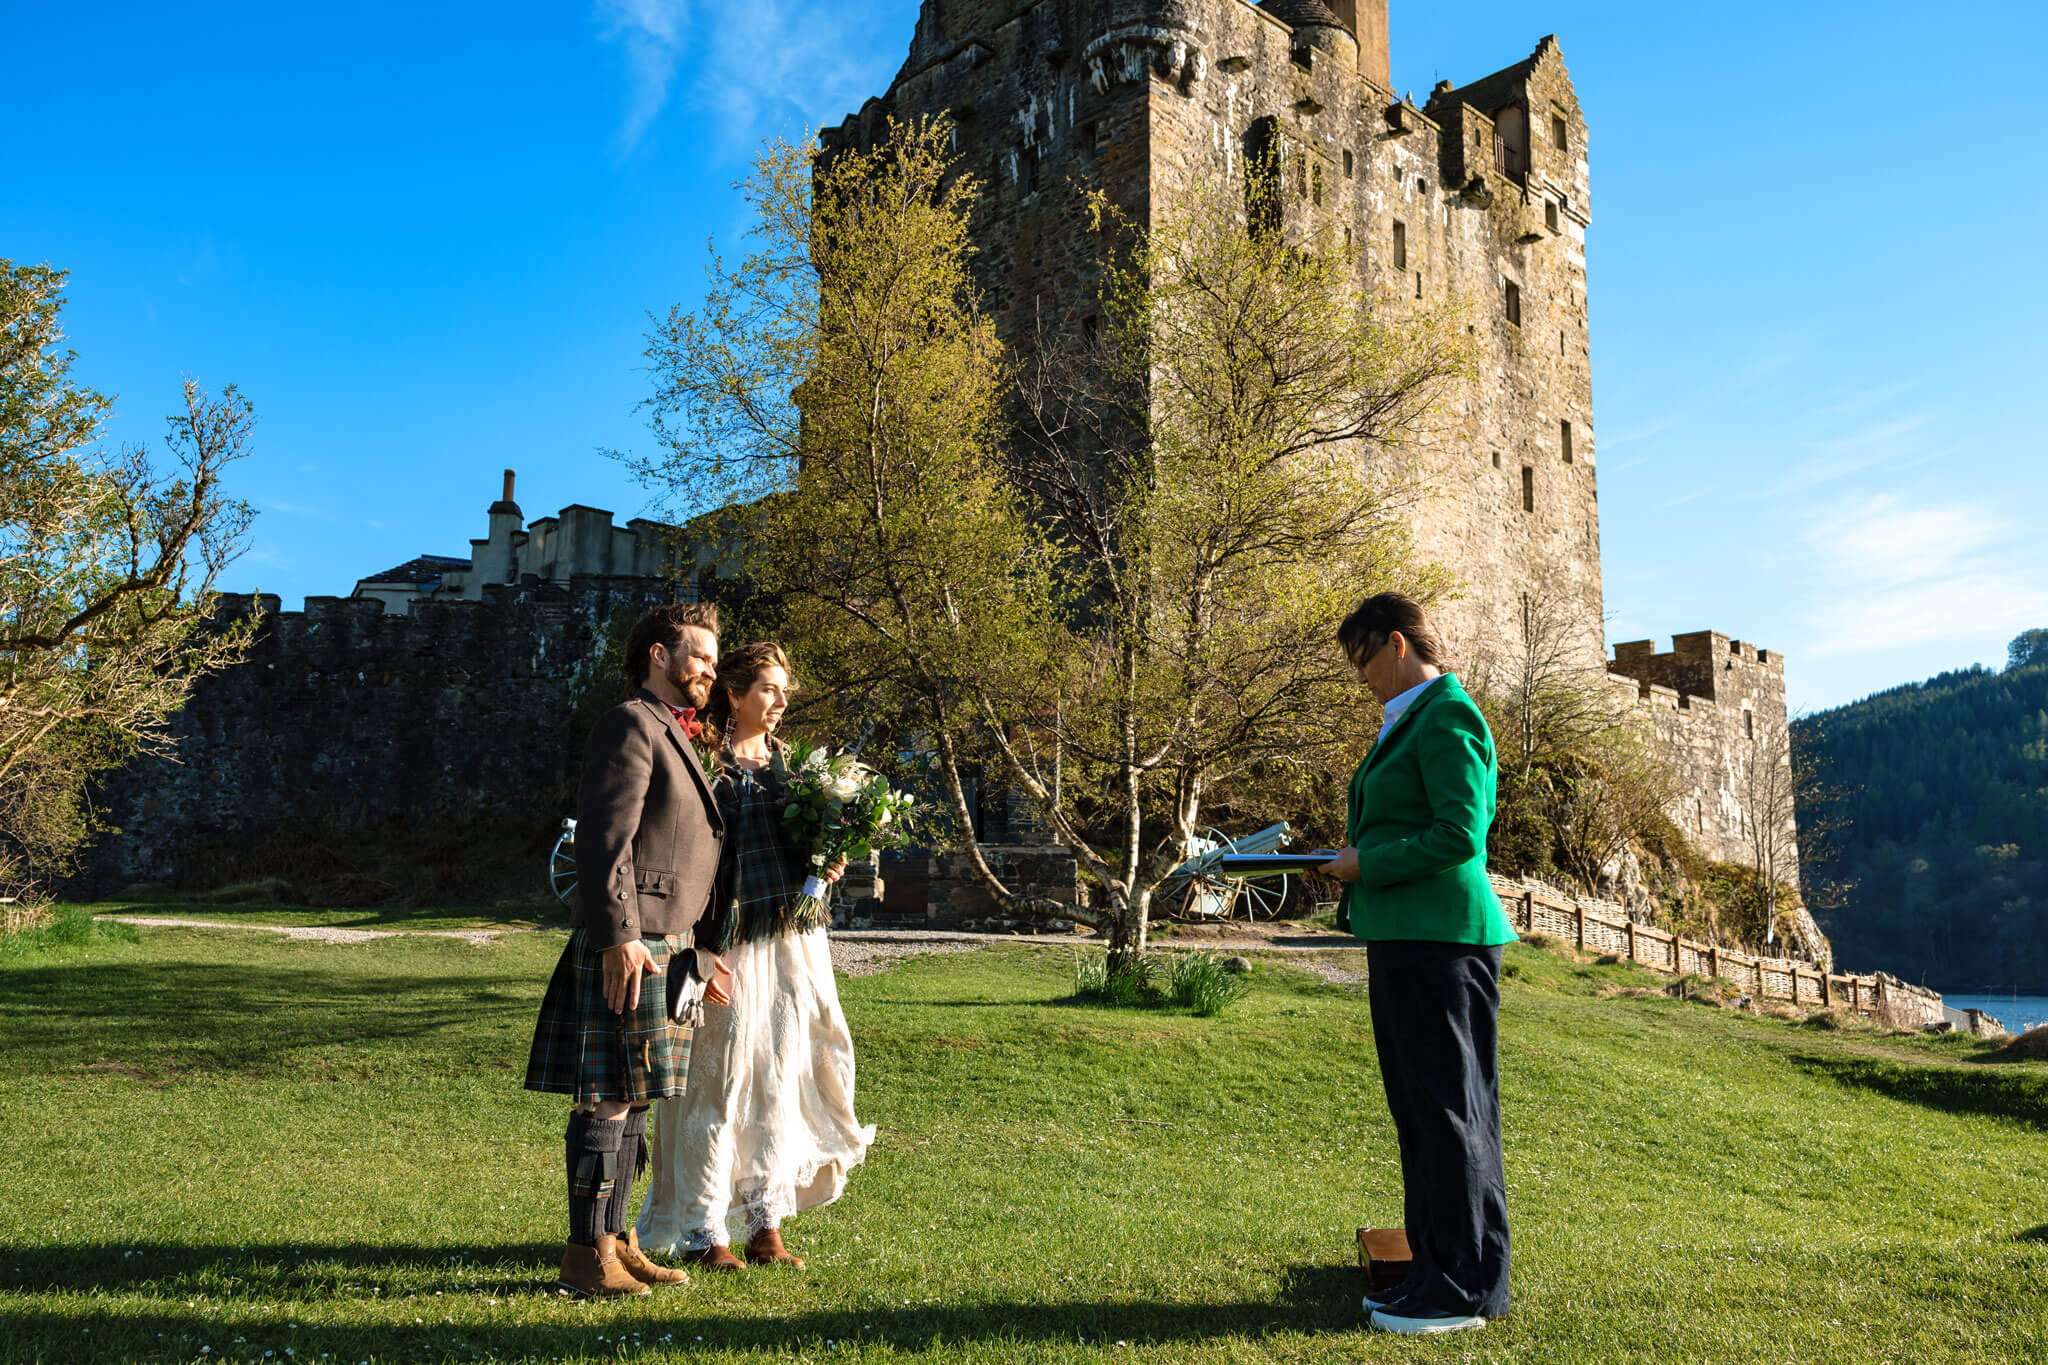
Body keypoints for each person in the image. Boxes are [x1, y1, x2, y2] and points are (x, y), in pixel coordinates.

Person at [636, 641, 874, 1269]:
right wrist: (701, 947)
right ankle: (701, 1228)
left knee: (777, 1077)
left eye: (785, 690)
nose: (780, 701)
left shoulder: (797, 770)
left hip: (793, 943)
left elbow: (806, 854)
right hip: (725, 942)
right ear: (734, 695)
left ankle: (765, 1223)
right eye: (768, 688)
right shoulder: (706, 766)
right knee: (714, 1083)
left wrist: (831, 858)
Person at [1321, 592, 1517, 1336]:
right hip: (1407, 938)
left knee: (1450, 1115)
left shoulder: (1449, 715)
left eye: (1364, 659)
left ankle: (1463, 1288)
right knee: (1422, 1116)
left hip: (1444, 941)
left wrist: (1365, 864)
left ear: (1398, 644)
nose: (1361, 676)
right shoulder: (1408, 720)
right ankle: (1434, 1273)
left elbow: (1460, 834)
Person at [524, 602, 727, 1298]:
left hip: (667, 942)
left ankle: (617, 1240)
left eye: (713, 659)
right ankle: (585, 1256)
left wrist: (696, 945)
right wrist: (620, 937)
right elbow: (605, 840)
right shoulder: (631, 723)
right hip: (633, 941)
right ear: (658, 656)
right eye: (698, 654)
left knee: (635, 1097)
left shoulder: (676, 731)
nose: (709, 668)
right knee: (608, 1097)